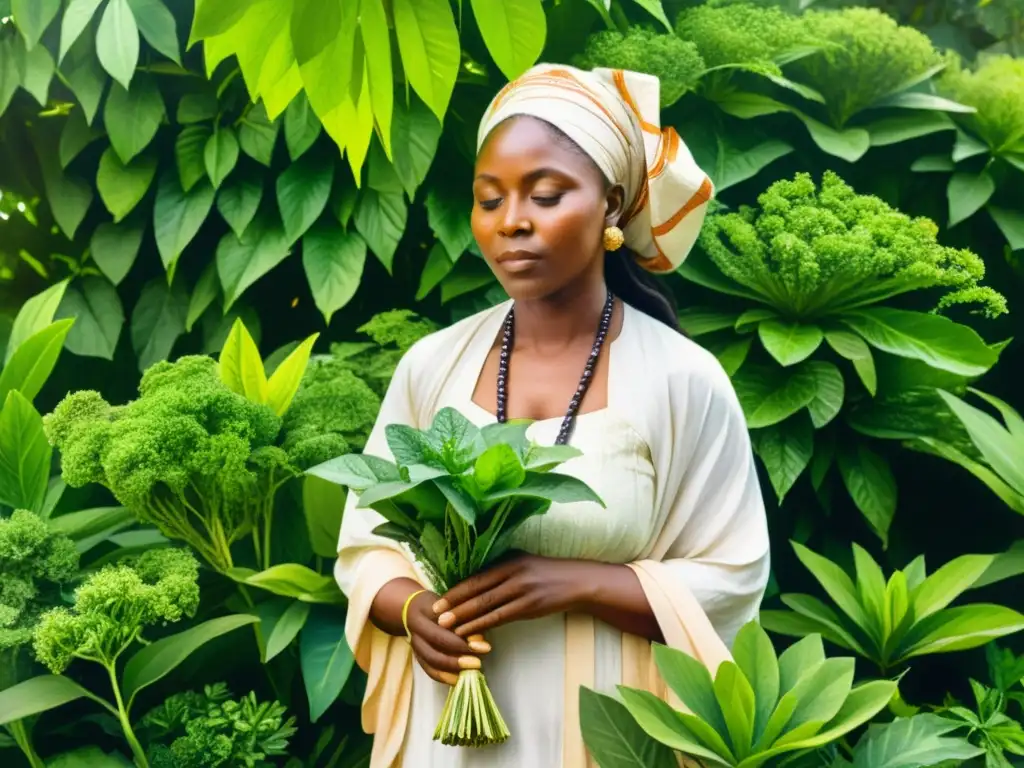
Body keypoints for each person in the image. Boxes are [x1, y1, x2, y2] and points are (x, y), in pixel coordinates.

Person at [334, 64, 770, 768]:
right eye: (488, 199)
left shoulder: (682, 380)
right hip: (446, 731)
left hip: (613, 732)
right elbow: (365, 545)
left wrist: (577, 583)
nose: (512, 222)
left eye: (545, 194)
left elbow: (735, 574)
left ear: (611, 205)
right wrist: (411, 609)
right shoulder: (431, 365)